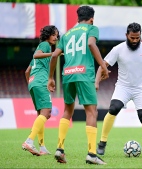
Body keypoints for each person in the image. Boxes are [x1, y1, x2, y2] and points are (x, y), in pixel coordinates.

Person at [95, 22, 142, 156]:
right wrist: (97, 82)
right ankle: (102, 143)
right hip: (123, 87)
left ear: (140, 35)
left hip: (141, 88)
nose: (135, 40)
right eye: (132, 38)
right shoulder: (118, 49)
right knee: (113, 109)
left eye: (137, 37)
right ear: (126, 35)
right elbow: (103, 64)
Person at [47, 6, 109, 165]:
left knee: (67, 110)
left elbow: (54, 55)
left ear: (77, 18)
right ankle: (92, 154)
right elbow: (91, 44)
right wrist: (103, 66)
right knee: (91, 111)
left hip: (67, 74)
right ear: (92, 18)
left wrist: (50, 78)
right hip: (84, 73)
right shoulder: (92, 28)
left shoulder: (67, 34)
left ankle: (59, 149)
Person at [22, 25, 60, 156]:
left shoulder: (42, 47)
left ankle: (42, 147)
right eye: (54, 34)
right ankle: (29, 141)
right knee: (47, 112)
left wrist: (31, 84)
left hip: (33, 83)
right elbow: (36, 55)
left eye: (57, 35)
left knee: (41, 114)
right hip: (40, 81)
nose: (56, 37)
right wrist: (54, 53)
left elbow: (27, 71)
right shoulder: (45, 45)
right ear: (48, 35)